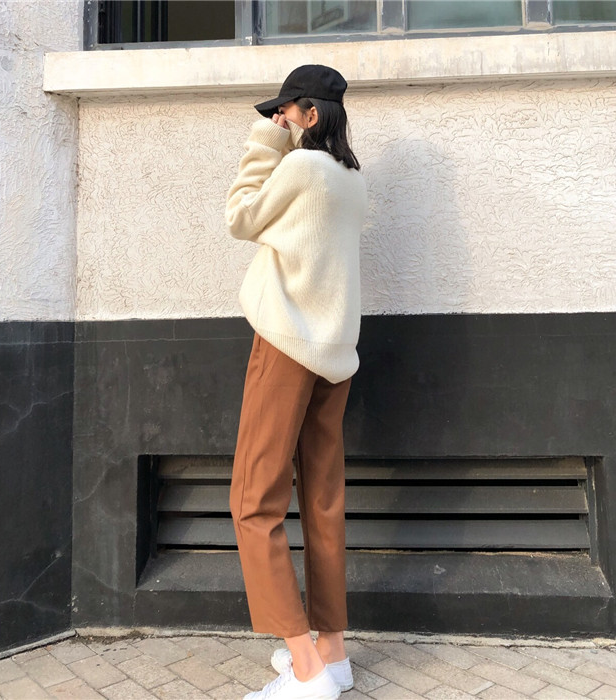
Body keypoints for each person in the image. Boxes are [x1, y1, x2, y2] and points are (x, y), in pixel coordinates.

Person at [225, 64, 367, 700]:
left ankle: (306, 671)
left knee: (254, 501)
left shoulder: (302, 168)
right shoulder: (350, 178)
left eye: (285, 111)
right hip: (334, 354)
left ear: (312, 114)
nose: (277, 120)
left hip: (285, 346)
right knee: (322, 499)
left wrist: (264, 144)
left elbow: (240, 216)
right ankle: (332, 651)